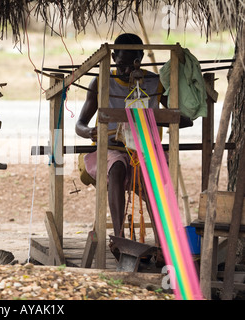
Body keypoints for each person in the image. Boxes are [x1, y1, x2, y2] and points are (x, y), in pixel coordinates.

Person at [75, 33, 192, 240]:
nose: (128, 70)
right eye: (122, 65)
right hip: (109, 150)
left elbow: (184, 120)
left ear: (142, 57)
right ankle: (120, 238)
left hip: (144, 150)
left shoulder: (154, 83)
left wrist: (157, 119)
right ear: (113, 59)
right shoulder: (102, 82)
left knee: (151, 179)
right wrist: (89, 132)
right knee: (117, 168)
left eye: (134, 64)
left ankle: (162, 243)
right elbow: (80, 124)